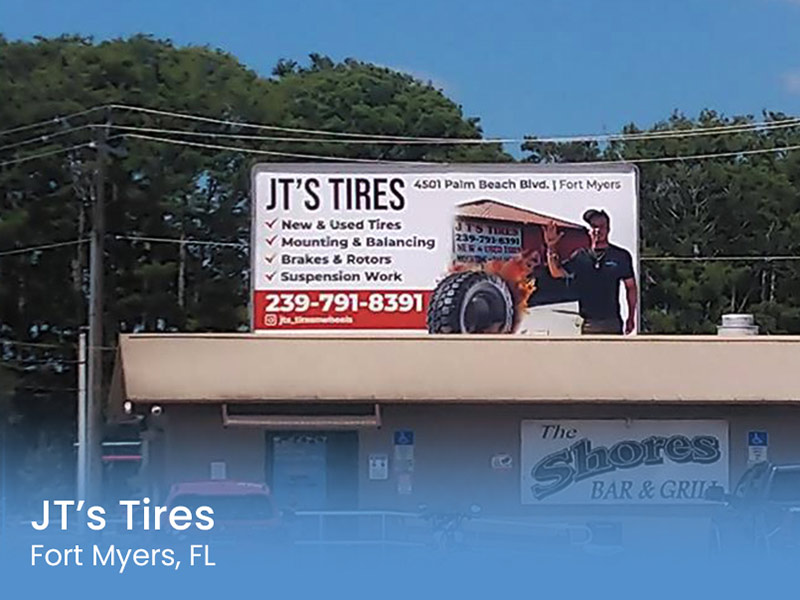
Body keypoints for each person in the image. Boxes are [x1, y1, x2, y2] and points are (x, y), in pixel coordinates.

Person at [543, 209, 637, 335]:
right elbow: (556, 272)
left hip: (611, 322)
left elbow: (631, 287)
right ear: (589, 230)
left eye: (601, 226)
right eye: (593, 226)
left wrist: (631, 317)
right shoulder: (580, 256)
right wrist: (551, 247)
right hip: (587, 323)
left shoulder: (620, 256)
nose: (597, 230)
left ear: (608, 229)